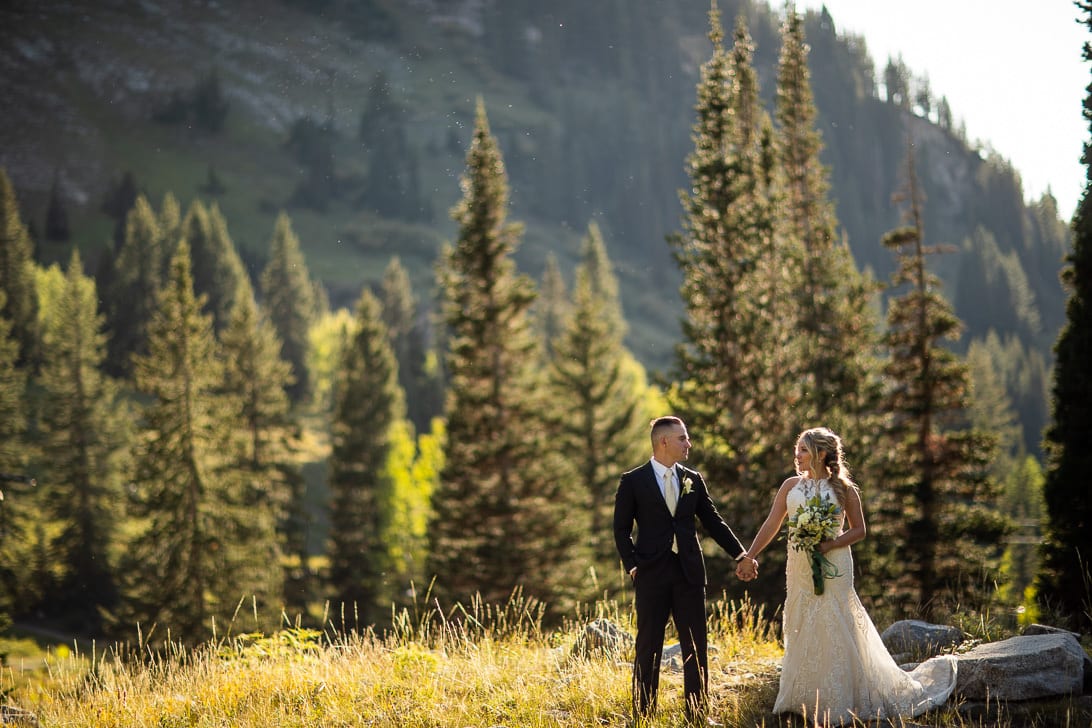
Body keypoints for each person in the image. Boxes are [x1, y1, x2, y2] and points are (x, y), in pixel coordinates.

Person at [735, 427, 957, 725]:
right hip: (800, 565)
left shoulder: (844, 489)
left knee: (834, 619)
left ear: (821, 454)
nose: (796, 455)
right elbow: (772, 523)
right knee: (804, 618)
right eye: (797, 449)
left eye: (802, 449)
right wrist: (751, 555)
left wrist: (830, 544)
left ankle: (840, 697)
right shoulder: (790, 486)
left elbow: (859, 530)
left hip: (835, 563)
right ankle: (802, 695)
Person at [614, 416, 758, 724]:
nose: (688, 444)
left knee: (696, 644)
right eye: (683, 438)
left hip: (689, 572)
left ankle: (697, 715)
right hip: (651, 574)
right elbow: (621, 529)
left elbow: (713, 521)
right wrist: (633, 567)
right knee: (648, 644)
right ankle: (643, 715)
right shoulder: (633, 480)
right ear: (663, 441)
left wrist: (741, 554)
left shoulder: (693, 478)